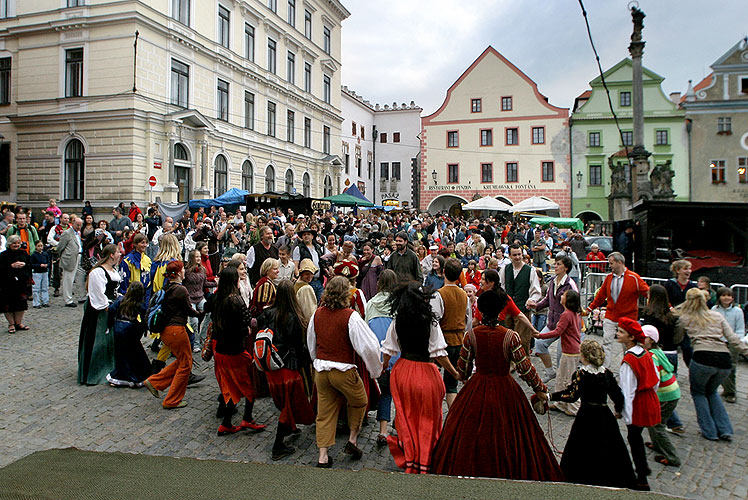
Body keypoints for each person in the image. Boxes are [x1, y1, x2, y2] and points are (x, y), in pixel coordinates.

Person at [429, 290, 564, 481]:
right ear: (501, 311)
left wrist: (461, 373)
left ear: (482, 311)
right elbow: (526, 369)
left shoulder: (471, 336)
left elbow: (464, 370)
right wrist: (540, 389)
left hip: (477, 387)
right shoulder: (510, 336)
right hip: (505, 388)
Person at [380, 282, 459, 474]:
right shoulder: (430, 322)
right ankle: (425, 458)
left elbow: (388, 350)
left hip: (403, 372)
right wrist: (454, 373)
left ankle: (410, 454)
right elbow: (439, 353)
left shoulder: (398, 320)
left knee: (406, 415)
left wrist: (383, 367)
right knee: (427, 418)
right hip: (426, 373)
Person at [306, 276, 382, 468]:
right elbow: (369, 347)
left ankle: (323, 456)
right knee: (359, 401)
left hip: (322, 371)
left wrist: (317, 360)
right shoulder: (350, 316)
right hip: (344, 370)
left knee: (325, 412)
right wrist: (375, 370)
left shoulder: (317, 314)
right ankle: (352, 439)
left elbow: (311, 342)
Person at [550, 339, 636, 488]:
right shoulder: (607, 374)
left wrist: (551, 396)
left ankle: (580, 476)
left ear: (584, 356)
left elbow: (572, 395)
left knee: (581, 446)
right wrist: (618, 410)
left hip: (587, 415)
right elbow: (617, 395)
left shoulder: (581, 374)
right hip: (604, 414)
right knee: (608, 446)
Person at [675, 288, 748, 442]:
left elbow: (677, 339)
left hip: (702, 356)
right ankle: (725, 429)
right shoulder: (717, 315)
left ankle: (709, 431)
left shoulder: (685, 318)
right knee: (712, 392)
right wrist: (746, 352)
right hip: (723, 358)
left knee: (699, 392)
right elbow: (733, 338)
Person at [257, 281, 315, 460]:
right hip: (288, 368)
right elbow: (298, 346)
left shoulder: (266, 313)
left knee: (284, 404)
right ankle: (277, 445)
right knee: (288, 406)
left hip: (271, 366)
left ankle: (290, 428)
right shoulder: (293, 317)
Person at [209, 267, 266, 435]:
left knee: (231, 388)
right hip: (235, 350)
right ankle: (247, 418)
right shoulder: (235, 300)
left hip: (221, 349)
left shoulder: (217, 298)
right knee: (250, 384)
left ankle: (226, 422)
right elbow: (250, 321)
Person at [143, 261, 199, 409]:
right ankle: (172, 400)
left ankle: (155, 382)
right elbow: (189, 310)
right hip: (176, 330)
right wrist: (203, 312)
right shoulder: (181, 290)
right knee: (186, 364)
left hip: (167, 331)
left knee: (182, 360)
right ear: (180, 272)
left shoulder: (167, 287)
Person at [584, 252, 649, 376]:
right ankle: (605, 371)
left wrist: (664, 306)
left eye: (611, 263)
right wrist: (590, 308)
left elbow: (648, 292)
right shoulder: (609, 278)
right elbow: (601, 295)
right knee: (607, 342)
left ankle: (629, 369)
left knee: (627, 346)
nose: (610, 266)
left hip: (628, 319)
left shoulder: (634, 278)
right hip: (610, 316)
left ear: (620, 263)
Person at [616, 317, 661, 491]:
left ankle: (642, 477)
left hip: (639, 404)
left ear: (631, 337)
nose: (618, 334)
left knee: (634, 438)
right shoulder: (645, 353)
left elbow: (627, 391)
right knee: (637, 436)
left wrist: (626, 415)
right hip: (650, 399)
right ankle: (643, 468)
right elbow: (656, 379)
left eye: (621, 332)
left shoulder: (630, 360)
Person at [640, 284, 685, 435]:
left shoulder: (649, 314)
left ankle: (669, 422)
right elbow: (678, 334)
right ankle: (671, 421)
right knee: (668, 386)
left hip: (659, 352)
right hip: (671, 352)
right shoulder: (671, 315)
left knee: (661, 391)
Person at [527, 255, 579, 383]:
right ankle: (550, 372)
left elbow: (576, 305)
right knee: (539, 345)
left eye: (558, 264)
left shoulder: (570, 284)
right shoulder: (553, 281)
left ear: (566, 268)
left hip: (566, 326)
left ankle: (566, 381)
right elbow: (548, 300)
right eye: (555, 263)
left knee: (562, 355)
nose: (555, 266)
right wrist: (537, 306)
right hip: (552, 322)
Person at [430, 258, 471, 408]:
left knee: (433, 379)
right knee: (451, 384)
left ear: (444, 272)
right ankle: (452, 416)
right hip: (459, 341)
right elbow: (468, 322)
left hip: (442, 342)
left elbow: (434, 321)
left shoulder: (438, 295)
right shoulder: (464, 295)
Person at [534, 289, 582, 416]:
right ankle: (560, 403)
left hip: (570, 352)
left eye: (564, 295)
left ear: (568, 301)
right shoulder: (574, 313)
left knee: (569, 379)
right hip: (571, 350)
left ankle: (574, 407)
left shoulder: (566, 315)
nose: (561, 296)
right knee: (561, 377)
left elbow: (557, 332)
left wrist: (540, 336)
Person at [78, 244, 121, 385]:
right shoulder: (98, 272)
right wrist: (106, 307)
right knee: (98, 339)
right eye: (118, 252)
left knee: (109, 339)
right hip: (99, 309)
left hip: (110, 306)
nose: (120, 254)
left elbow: (114, 290)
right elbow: (97, 293)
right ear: (111, 255)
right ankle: (94, 372)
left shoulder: (113, 270)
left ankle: (110, 367)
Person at [364, 269, 398, 447]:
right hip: (396, 356)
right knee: (399, 394)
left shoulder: (371, 304)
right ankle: (399, 425)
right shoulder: (398, 304)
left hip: (378, 355)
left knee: (386, 393)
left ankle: (383, 431)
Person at [641, 325, 681, 467]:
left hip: (665, 395)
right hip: (672, 392)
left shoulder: (651, 356)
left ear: (651, 340)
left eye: (643, 337)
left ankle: (672, 457)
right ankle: (657, 445)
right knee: (652, 421)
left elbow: (654, 378)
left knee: (657, 424)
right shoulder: (658, 352)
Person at [106, 281, 151, 388]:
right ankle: (136, 376)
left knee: (121, 354)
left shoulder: (120, 301)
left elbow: (111, 311)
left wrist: (111, 324)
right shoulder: (139, 305)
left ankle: (121, 376)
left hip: (118, 329)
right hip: (130, 331)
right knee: (134, 354)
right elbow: (144, 318)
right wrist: (142, 329)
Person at [500, 243, 542, 354]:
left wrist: (531, 300)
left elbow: (536, 290)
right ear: (509, 256)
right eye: (515, 255)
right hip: (507, 310)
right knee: (507, 339)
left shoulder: (530, 270)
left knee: (523, 340)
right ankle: (509, 363)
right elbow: (501, 287)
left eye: (519, 254)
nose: (518, 257)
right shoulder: (505, 269)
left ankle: (524, 365)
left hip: (522, 310)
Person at [713, 287, 746, 404]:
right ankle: (725, 388)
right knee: (719, 368)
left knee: (731, 368)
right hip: (718, 341)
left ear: (732, 298)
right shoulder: (714, 310)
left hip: (733, 342)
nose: (726, 298)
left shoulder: (737, 311)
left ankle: (731, 392)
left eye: (729, 296)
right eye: (723, 295)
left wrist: (738, 341)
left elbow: (740, 329)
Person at [0, 235, 32, 333]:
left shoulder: (23, 253)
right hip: (7, 283)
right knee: (8, 304)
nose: (16, 245)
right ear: (9, 244)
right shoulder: (3, 255)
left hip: (21, 282)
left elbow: (30, 265)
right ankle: (11, 324)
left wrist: (24, 265)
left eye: (18, 243)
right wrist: (11, 266)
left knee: (21, 303)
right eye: (14, 243)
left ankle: (18, 323)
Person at [57, 217, 85, 307]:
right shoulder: (67, 233)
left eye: (80, 225)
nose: (79, 227)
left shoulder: (78, 233)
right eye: (77, 225)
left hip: (79, 256)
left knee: (80, 277)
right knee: (68, 279)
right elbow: (60, 247)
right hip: (70, 258)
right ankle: (68, 299)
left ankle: (82, 296)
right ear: (73, 223)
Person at [30, 240, 51, 309]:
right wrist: (39, 265)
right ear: (35, 247)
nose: (40, 248)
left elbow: (49, 262)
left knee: (45, 287)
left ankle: (45, 301)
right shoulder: (34, 255)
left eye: (41, 246)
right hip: (37, 273)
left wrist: (47, 265)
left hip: (44, 272)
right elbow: (31, 264)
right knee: (36, 288)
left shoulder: (45, 254)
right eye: (38, 246)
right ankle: (36, 302)